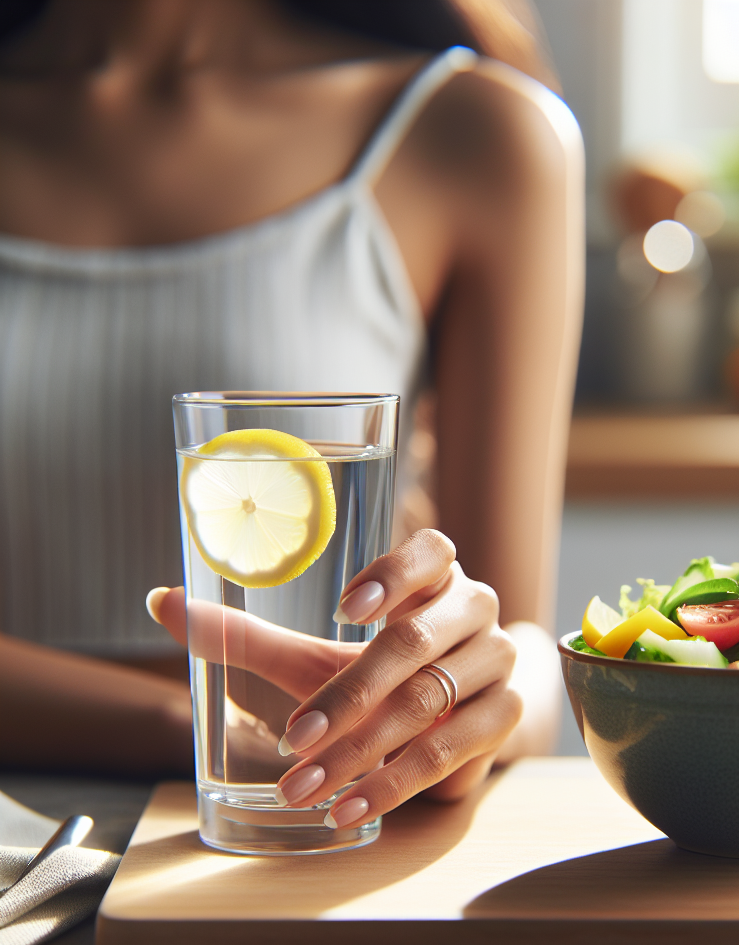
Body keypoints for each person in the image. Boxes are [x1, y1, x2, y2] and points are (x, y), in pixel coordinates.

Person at [0, 0, 584, 828]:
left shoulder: (472, 130)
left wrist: (457, 706)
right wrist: (196, 731)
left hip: (308, 836)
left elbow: (518, 641)